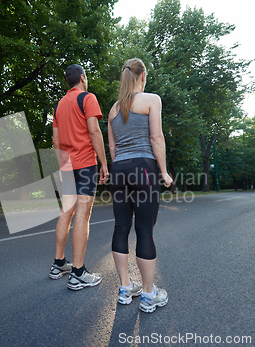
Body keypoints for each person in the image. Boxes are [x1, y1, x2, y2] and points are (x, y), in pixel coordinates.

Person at [107, 58, 173, 312]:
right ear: (142, 75)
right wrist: (164, 172)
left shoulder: (114, 109)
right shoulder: (151, 100)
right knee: (145, 229)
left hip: (119, 170)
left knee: (121, 227)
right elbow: (156, 137)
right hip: (143, 168)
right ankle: (148, 295)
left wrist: (119, 171)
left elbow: (112, 147)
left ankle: (125, 288)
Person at [49, 64, 109, 290]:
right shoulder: (87, 98)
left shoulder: (59, 105)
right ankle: (78, 272)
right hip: (85, 165)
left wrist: (63, 166)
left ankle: (58, 264)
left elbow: (55, 141)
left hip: (67, 166)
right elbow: (94, 131)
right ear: (82, 78)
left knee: (66, 212)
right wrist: (104, 163)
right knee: (82, 215)